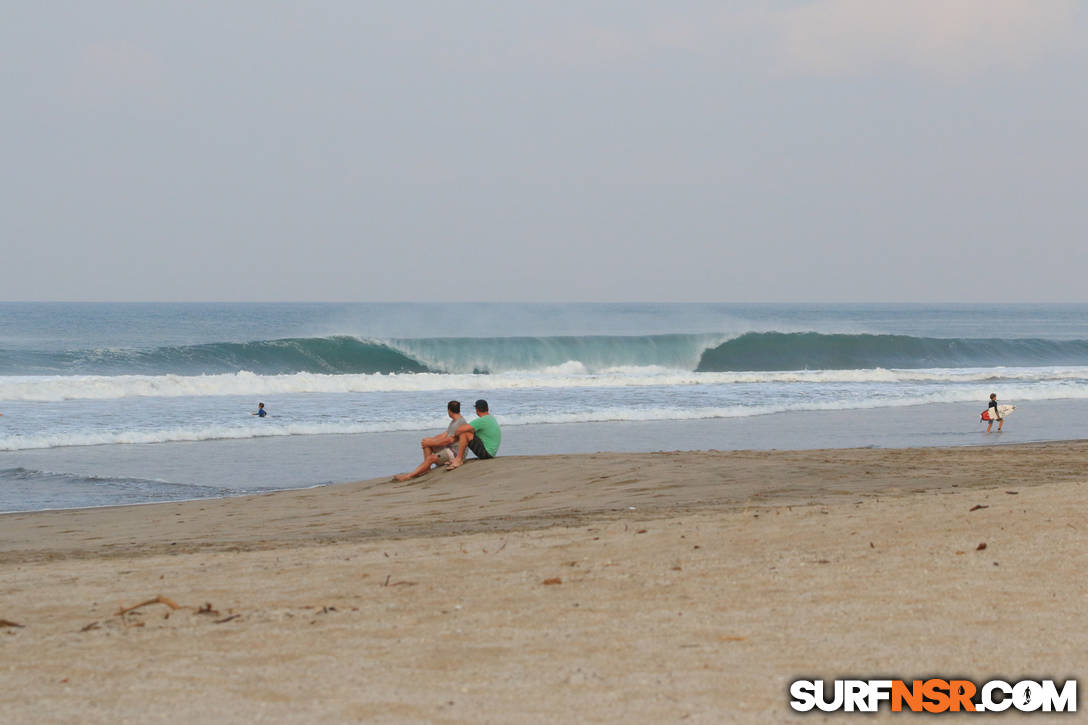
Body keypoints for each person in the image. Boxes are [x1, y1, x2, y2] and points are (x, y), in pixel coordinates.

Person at [393, 400, 467, 481]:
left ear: (449, 410)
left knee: (430, 458)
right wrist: (430, 440)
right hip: (449, 447)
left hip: (455, 452)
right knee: (427, 443)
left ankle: (408, 476)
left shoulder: (460, 422)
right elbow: (444, 434)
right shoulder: (454, 421)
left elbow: (449, 440)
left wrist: (432, 442)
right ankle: (426, 468)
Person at [446, 399, 501, 470]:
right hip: (491, 452)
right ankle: (457, 458)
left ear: (477, 410)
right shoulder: (490, 418)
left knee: (464, 433)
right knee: (468, 432)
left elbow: (460, 429)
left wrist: (455, 435)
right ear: (487, 408)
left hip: (487, 453)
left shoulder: (482, 420)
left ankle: (459, 460)